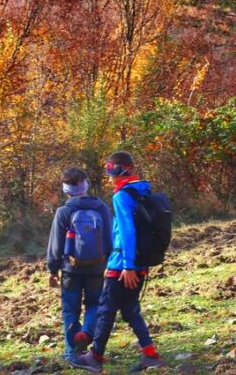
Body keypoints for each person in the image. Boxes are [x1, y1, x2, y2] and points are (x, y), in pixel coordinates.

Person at [69, 151, 164, 372]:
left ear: (118, 171)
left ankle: (95, 357)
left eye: (110, 172)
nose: (109, 177)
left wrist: (127, 266)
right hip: (139, 262)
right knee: (130, 309)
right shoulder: (142, 190)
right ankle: (151, 355)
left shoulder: (121, 196)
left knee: (105, 309)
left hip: (124, 265)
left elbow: (127, 230)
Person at [47, 167, 111, 360]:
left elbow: (56, 243)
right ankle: (87, 334)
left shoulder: (64, 211)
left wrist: (52, 269)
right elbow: (109, 238)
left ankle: (71, 352)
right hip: (97, 267)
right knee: (94, 303)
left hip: (70, 269)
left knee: (70, 309)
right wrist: (108, 263)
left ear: (65, 190)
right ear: (86, 186)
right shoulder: (101, 208)